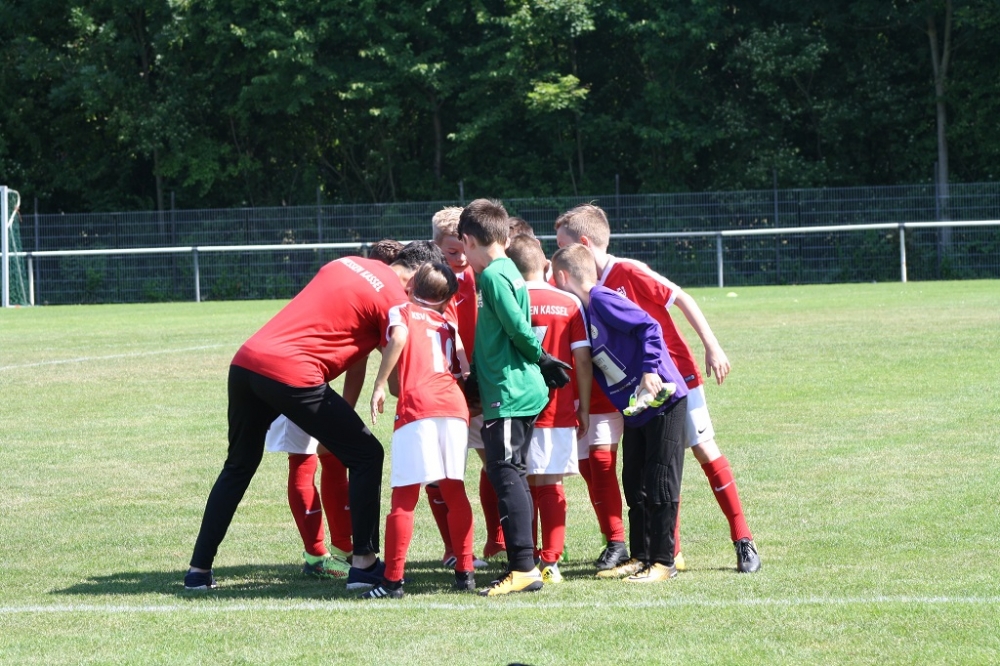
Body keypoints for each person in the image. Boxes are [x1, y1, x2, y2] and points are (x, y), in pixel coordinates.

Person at [183, 241, 444, 590]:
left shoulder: (347, 262)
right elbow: (397, 366)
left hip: (246, 363)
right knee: (368, 454)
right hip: (293, 373)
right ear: (419, 275)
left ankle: (198, 571)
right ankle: (364, 563)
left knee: (238, 466)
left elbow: (349, 344)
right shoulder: (396, 298)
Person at [555, 204, 761, 573]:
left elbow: (681, 298)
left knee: (703, 450)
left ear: (583, 243)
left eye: (562, 244)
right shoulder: (585, 290)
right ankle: (669, 551)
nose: (559, 252)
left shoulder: (627, 271)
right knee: (653, 466)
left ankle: (743, 538)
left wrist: (712, 345)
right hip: (639, 390)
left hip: (675, 375)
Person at [261, 240, 406, 580]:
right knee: (302, 459)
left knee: (335, 455)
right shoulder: (368, 293)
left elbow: (356, 363)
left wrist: (342, 418)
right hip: (289, 373)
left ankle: (344, 547)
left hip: (311, 381)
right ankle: (315, 556)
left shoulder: (367, 295)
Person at [551, 243, 689, 582]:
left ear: (563, 277)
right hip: (636, 408)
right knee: (634, 482)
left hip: (662, 398)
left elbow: (649, 326)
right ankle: (640, 556)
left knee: (659, 479)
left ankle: (663, 562)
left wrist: (651, 370)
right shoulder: (584, 311)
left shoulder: (601, 298)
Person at [457, 198, 572, 596]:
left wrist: (542, 358)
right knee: (512, 473)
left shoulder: (491, 275)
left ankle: (523, 568)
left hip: (510, 392)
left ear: (469, 241)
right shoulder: (507, 268)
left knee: (505, 474)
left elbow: (516, 326)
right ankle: (525, 565)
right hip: (511, 389)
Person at [362, 262, 476, 599]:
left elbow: (398, 337)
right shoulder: (448, 322)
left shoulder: (403, 310)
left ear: (411, 286)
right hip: (454, 407)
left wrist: (380, 384)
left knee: (404, 497)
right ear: (447, 298)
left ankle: (392, 581)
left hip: (419, 406)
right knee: (454, 491)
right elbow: (464, 368)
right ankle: (465, 573)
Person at [506, 235, 592, 584]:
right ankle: (551, 562)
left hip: (517, 406)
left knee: (522, 483)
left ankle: (524, 559)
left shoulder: (508, 299)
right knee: (551, 480)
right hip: (557, 407)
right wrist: (583, 406)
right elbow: (582, 360)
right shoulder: (568, 302)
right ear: (545, 265)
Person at [430, 208, 500, 566]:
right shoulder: (432, 284)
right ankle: (452, 548)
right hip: (446, 388)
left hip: (481, 385)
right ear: (436, 248)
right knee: (442, 471)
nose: (459, 259)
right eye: (451, 252)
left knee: (496, 462)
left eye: (463, 250)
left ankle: (496, 541)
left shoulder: (482, 277)